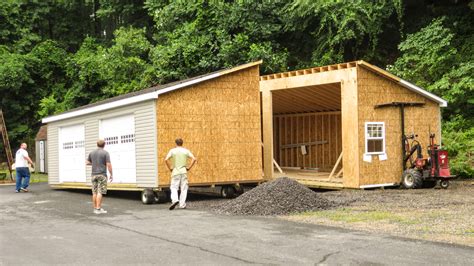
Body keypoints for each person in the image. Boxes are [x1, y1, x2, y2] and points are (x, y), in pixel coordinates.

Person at [165, 138, 196, 210]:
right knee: (184, 188)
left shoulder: (172, 151)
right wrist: (189, 168)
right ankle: (182, 204)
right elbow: (194, 159)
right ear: (182, 143)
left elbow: (166, 160)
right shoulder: (186, 151)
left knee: (174, 187)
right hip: (184, 171)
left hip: (175, 172)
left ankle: (175, 200)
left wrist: (170, 168)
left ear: (175, 143)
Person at [86, 140, 113, 214]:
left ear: (97, 144)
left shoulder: (92, 153)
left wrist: (95, 163)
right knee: (100, 192)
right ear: (104, 145)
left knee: (94, 192)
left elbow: (87, 162)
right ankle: (98, 209)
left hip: (93, 175)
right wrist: (111, 174)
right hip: (102, 175)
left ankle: (95, 208)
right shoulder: (105, 153)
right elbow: (109, 165)